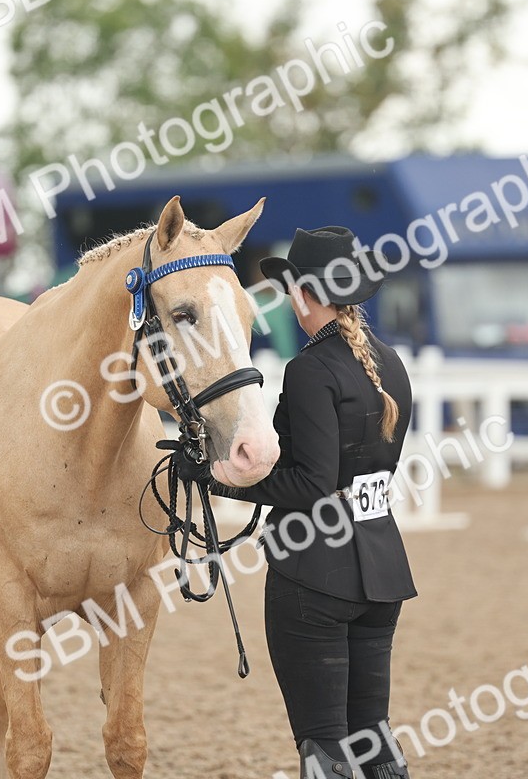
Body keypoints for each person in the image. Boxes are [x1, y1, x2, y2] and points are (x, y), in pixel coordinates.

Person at [211, 225, 417, 779]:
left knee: (323, 747)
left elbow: (311, 483)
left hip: (314, 579)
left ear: (303, 294)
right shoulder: (391, 363)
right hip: (382, 572)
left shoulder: (309, 371)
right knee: (372, 737)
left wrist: (221, 481)